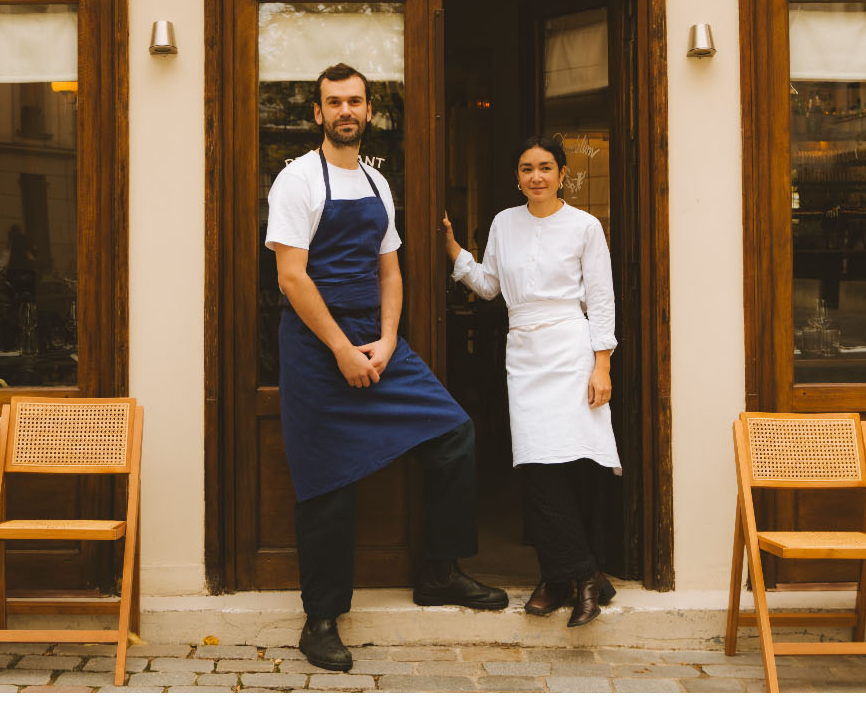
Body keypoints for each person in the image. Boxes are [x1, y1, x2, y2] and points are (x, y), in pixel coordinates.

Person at [265, 63, 507, 673]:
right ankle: (321, 619)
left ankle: (439, 572)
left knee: (454, 434)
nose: (345, 111)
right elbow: (291, 277)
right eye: (333, 102)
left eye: (355, 101)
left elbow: (390, 271)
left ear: (369, 111)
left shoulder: (377, 182)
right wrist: (341, 350)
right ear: (318, 113)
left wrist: (388, 339)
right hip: (316, 349)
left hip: (377, 340)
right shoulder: (297, 180)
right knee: (325, 479)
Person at [441, 133, 621, 627]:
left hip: (571, 349)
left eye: (545, 168)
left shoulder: (585, 226)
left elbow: (601, 299)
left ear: (562, 175)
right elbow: (489, 286)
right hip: (523, 352)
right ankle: (585, 576)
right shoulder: (504, 222)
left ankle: (561, 578)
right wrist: (454, 250)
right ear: (517, 178)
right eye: (527, 169)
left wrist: (602, 365)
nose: (536, 176)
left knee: (572, 463)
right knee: (536, 463)